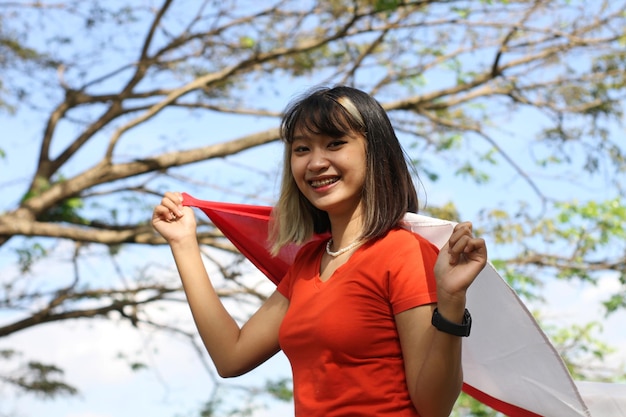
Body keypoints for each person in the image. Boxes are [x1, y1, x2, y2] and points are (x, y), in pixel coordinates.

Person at [152, 86, 487, 417]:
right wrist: (183, 243)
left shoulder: (405, 253)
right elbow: (230, 357)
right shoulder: (308, 263)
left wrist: (451, 302)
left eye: (335, 143)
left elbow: (434, 408)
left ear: (376, 152)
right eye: (301, 149)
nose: (315, 162)